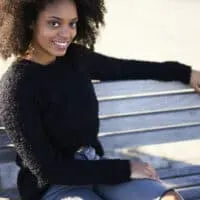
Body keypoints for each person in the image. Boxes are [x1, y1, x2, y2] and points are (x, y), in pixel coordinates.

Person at [0, 0, 200, 200]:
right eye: (54, 23)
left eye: (72, 23)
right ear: (29, 22)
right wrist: (124, 168)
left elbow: (125, 68)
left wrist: (185, 73)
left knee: (169, 198)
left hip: (95, 165)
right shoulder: (16, 85)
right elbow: (48, 169)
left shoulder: (76, 58)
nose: (66, 33)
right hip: (54, 185)